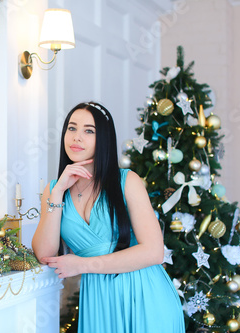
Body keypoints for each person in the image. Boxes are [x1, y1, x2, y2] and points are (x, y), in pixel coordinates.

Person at [32, 102, 185, 333]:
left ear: (103, 138)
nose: (77, 137)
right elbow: (45, 254)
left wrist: (83, 264)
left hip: (144, 295)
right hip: (98, 302)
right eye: (71, 128)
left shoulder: (127, 181)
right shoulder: (54, 190)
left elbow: (154, 252)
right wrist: (57, 192)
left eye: (89, 131)